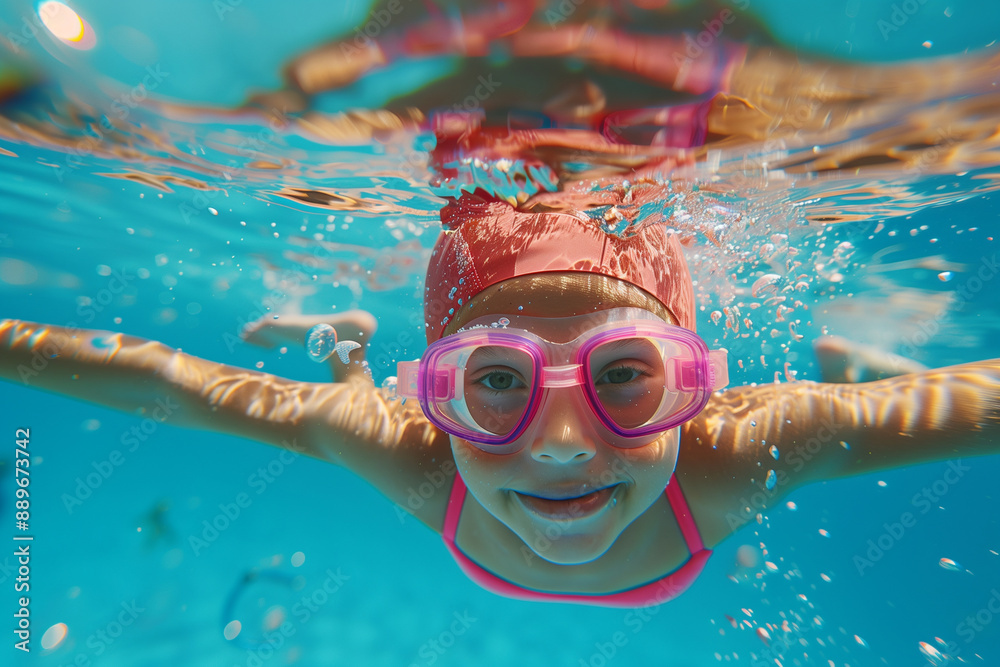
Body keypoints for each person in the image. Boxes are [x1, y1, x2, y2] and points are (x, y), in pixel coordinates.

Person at [2, 187, 998, 607]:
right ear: (436, 394)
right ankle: (346, 347)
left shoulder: (738, 453)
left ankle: (859, 367)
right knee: (343, 405)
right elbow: (176, 385)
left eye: (624, 375)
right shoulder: (410, 454)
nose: (562, 442)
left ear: (691, 389)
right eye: (494, 382)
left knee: (852, 408)